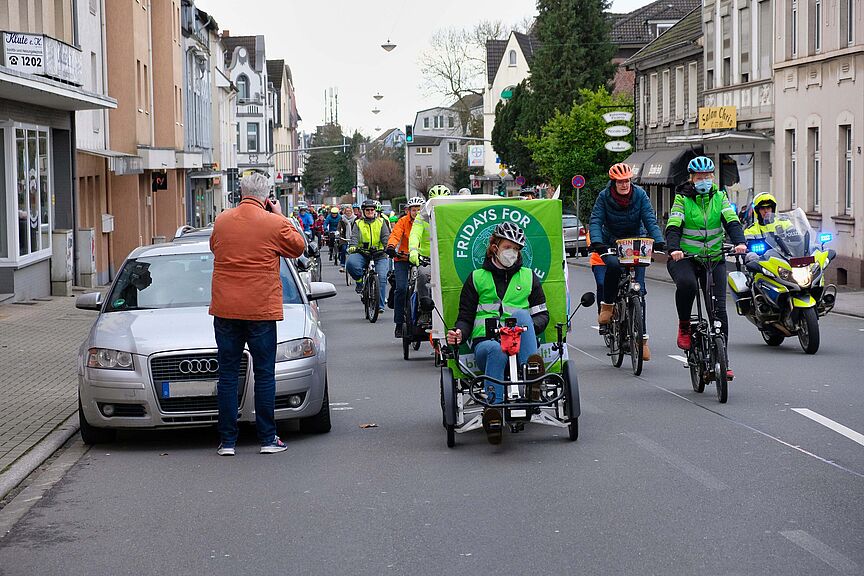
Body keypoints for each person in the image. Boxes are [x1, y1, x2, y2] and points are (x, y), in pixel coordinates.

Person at [209, 172, 306, 456]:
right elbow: (298, 247)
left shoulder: (223, 220)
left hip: (226, 308)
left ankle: (227, 442)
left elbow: (215, 248)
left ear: (240, 193)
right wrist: (281, 215)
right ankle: (267, 438)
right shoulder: (273, 223)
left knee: (227, 374)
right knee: (264, 373)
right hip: (260, 310)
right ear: (266, 197)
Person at [446, 222, 548, 445]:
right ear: (494, 247)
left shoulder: (529, 277)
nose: (512, 253)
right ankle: (493, 409)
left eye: (517, 248)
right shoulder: (477, 278)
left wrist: (528, 326)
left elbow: (543, 315)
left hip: (521, 342)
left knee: (522, 314)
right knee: (495, 349)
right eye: (508, 247)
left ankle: (532, 379)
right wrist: (458, 333)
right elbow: (465, 317)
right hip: (487, 343)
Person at [665, 156, 747, 379]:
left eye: (708, 177)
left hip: (714, 258)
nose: (704, 181)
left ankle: (724, 360)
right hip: (686, 258)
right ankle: (684, 324)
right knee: (687, 285)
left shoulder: (720, 197)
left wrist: (740, 242)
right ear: (692, 179)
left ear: (713, 177)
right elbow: (674, 226)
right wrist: (673, 249)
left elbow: (731, 222)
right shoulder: (682, 199)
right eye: (700, 177)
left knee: (718, 309)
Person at [589, 162, 664, 360]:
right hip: (611, 241)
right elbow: (596, 220)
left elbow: (649, 218)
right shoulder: (604, 197)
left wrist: (660, 241)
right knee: (612, 267)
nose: (624, 185)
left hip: (636, 241)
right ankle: (608, 306)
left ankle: (643, 340)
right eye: (620, 182)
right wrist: (597, 242)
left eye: (627, 181)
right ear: (613, 182)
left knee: (640, 291)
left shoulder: (640, 195)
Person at [386, 196, 425, 338]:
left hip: (421, 258)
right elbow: (395, 235)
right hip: (402, 257)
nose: (416, 212)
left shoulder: (427, 221)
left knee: (426, 285)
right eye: (413, 210)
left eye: (418, 210)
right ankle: (398, 323)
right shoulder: (403, 221)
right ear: (409, 210)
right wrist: (391, 247)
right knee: (401, 288)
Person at [409, 184, 451, 311]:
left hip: (448, 258)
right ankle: (424, 308)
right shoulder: (422, 217)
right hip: (427, 258)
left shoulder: (452, 216)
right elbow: (415, 234)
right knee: (422, 275)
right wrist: (414, 251)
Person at [347, 199, 390, 312]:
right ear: (363, 211)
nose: (370, 211)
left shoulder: (381, 222)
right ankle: (360, 281)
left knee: (381, 277)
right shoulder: (358, 223)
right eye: (367, 210)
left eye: (372, 209)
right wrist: (353, 246)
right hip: (363, 253)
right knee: (351, 263)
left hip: (379, 254)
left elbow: (386, 237)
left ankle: (380, 305)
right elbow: (355, 237)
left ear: (375, 211)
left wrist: (388, 248)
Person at [337, 205, 355, 271]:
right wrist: (338, 233)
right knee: (344, 249)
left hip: (354, 237)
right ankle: (342, 265)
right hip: (344, 237)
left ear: (351, 211)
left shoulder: (355, 219)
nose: (348, 212)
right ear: (344, 212)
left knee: (355, 251)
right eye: (347, 211)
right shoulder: (342, 219)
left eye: (349, 211)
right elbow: (339, 227)